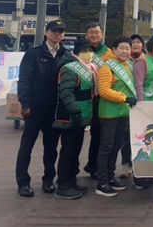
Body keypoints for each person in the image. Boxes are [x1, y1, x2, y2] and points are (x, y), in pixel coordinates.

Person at [16, 20, 67, 198]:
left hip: (54, 109)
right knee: (26, 146)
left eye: (60, 32)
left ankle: (48, 180)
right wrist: (25, 104)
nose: (57, 34)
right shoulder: (33, 53)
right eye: (54, 31)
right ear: (46, 32)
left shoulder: (66, 54)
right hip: (35, 108)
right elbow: (24, 80)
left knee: (51, 148)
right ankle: (23, 183)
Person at [52, 37, 98, 199]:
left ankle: (72, 181)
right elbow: (66, 92)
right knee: (68, 151)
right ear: (77, 52)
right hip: (70, 117)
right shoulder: (70, 68)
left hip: (82, 117)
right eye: (84, 50)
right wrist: (75, 111)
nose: (88, 53)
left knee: (75, 150)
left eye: (90, 50)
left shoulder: (89, 68)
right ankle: (63, 185)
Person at [95, 36, 137, 197]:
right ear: (114, 49)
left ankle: (110, 178)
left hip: (122, 113)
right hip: (109, 114)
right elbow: (104, 90)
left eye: (128, 48)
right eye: (122, 48)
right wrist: (124, 98)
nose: (125, 51)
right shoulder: (107, 67)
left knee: (115, 147)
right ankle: (101, 182)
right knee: (106, 148)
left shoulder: (127, 65)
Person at [83, 22, 111, 180]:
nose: (94, 35)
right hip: (83, 97)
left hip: (101, 98)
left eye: (97, 32)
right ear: (86, 34)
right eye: (91, 32)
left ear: (102, 35)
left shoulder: (109, 53)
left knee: (98, 134)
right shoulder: (81, 51)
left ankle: (93, 165)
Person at [119, 33, 145, 178]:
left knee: (143, 136)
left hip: (143, 105)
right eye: (132, 42)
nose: (135, 44)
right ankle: (126, 164)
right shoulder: (123, 61)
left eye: (138, 42)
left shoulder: (147, 60)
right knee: (126, 136)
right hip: (127, 104)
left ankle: (140, 166)